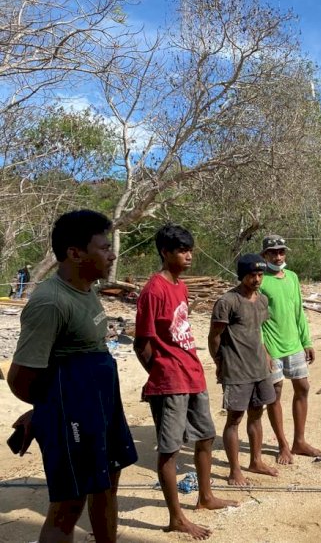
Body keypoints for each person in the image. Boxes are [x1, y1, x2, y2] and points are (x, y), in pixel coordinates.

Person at [7, 210, 137, 543]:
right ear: (75, 252)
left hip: (100, 406)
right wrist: (51, 411)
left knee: (107, 482)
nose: (112, 254)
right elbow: (20, 378)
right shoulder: (50, 302)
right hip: (74, 415)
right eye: (104, 247)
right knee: (68, 506)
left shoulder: (87, 289)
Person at [134, 224, 235, 540]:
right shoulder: (154, 290)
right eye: (181, 250)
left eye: (190, 249)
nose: (188, 256)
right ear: (165, 253)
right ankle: (175, 517)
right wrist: (160, 372)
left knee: (205, 435)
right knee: (170, 449)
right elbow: (142, 342)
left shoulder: (180, 286)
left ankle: (205, 497)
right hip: (170, 381)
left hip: (193, 374)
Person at [208, 253, 278, 483]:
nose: (257, 279)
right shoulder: (227, 302)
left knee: (257, 415)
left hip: (259, 368)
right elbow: (214, 336)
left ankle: (255, 461)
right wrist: (219, 363)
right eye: (251, 275)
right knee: (234, 419)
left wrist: (267, 355)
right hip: (236, 370)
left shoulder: (262, 300)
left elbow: (258, 332)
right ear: (242, 276)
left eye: (260, 275)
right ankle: (234, 470)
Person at [259, 234, 321, 464]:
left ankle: (299, 441)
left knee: (303, 387)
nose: (278, 256)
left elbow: (299, 312)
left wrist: (307, 341)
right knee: (275, 393)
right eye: (273, 252)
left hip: (294, 343)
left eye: (281, 251)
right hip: (272, 346)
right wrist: (263, 350)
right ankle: (283, 444)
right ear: (264, 255)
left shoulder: (293, 277)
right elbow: (256, 319)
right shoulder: (260, 280)